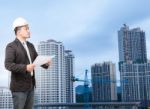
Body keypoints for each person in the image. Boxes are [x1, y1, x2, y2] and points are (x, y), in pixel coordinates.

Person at [5, 17, 51, 109]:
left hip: (30, 86)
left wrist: (46, 63)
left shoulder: (30, 45)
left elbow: (37, 60)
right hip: (19, 89)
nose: (29, 31)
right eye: (26, 29)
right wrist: (25, 67)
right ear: (18, 31)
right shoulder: (11, 46)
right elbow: (8, 64)